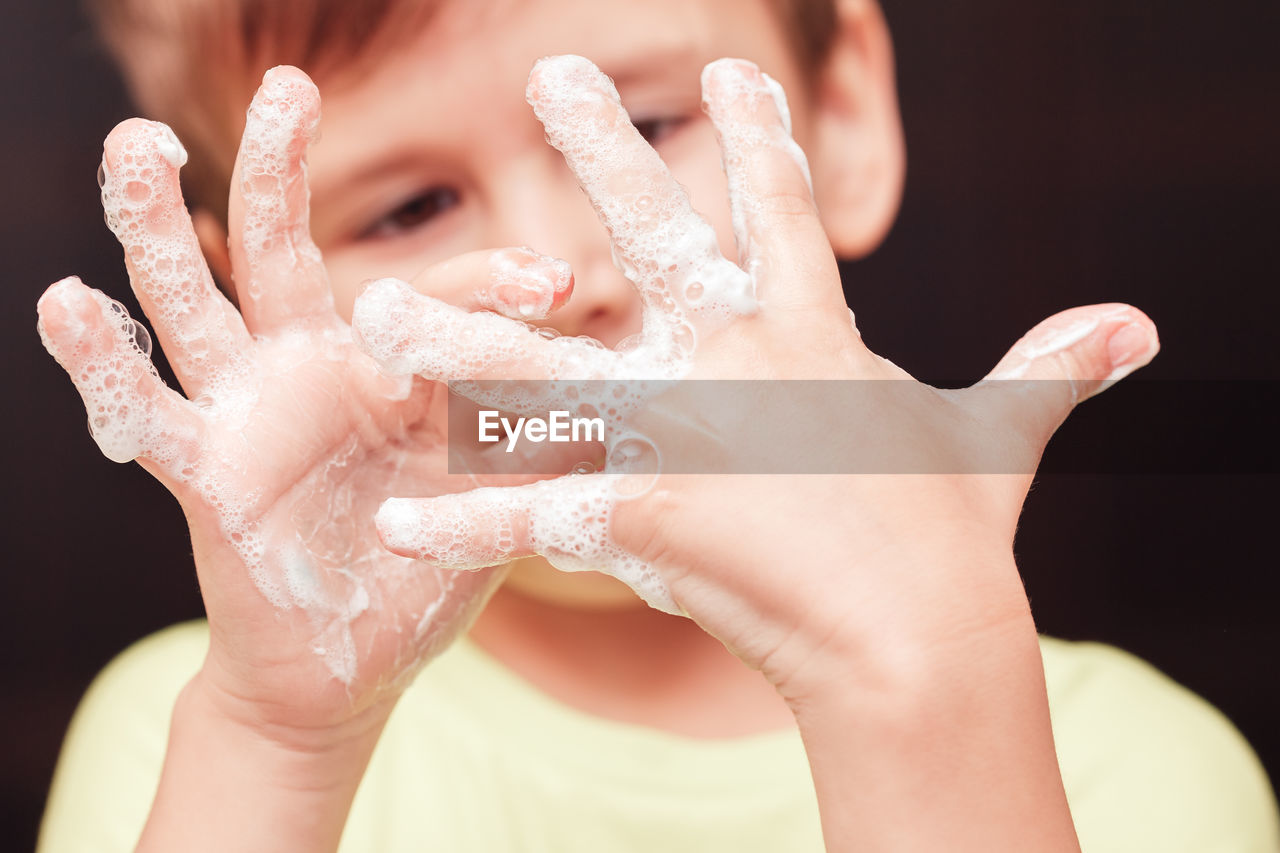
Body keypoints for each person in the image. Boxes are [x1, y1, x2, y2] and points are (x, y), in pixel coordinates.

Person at [35, 0, 1279, 850]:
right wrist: (282, 741)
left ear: (837, 112)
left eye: (644, 127)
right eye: (410, 206)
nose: (564, 277)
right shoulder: (198, 736)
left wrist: (919, 685)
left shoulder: (1125, 762)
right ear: (262, 296)